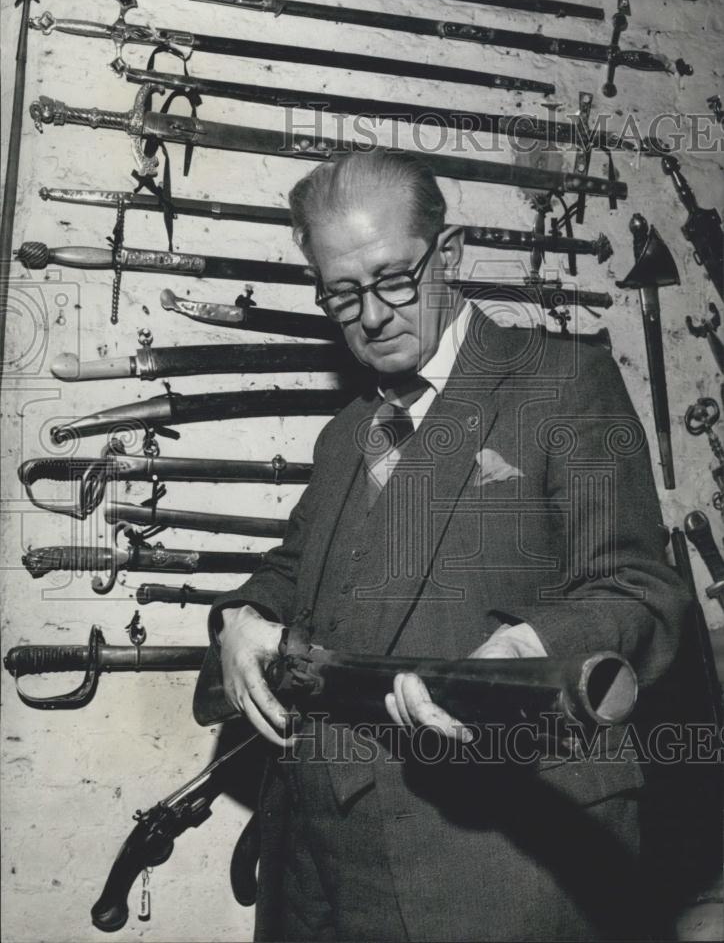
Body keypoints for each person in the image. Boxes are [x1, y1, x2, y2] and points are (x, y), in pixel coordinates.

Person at [194, 149, 689, 942]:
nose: (373, 314)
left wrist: (533, 650)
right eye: (343, 293)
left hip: (492, 857)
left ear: (449, 255)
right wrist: (243, 618)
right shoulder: (346, 432)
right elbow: (294, 572)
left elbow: (641, 592)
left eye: (395, 279)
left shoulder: (561, 383)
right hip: (315, 864)